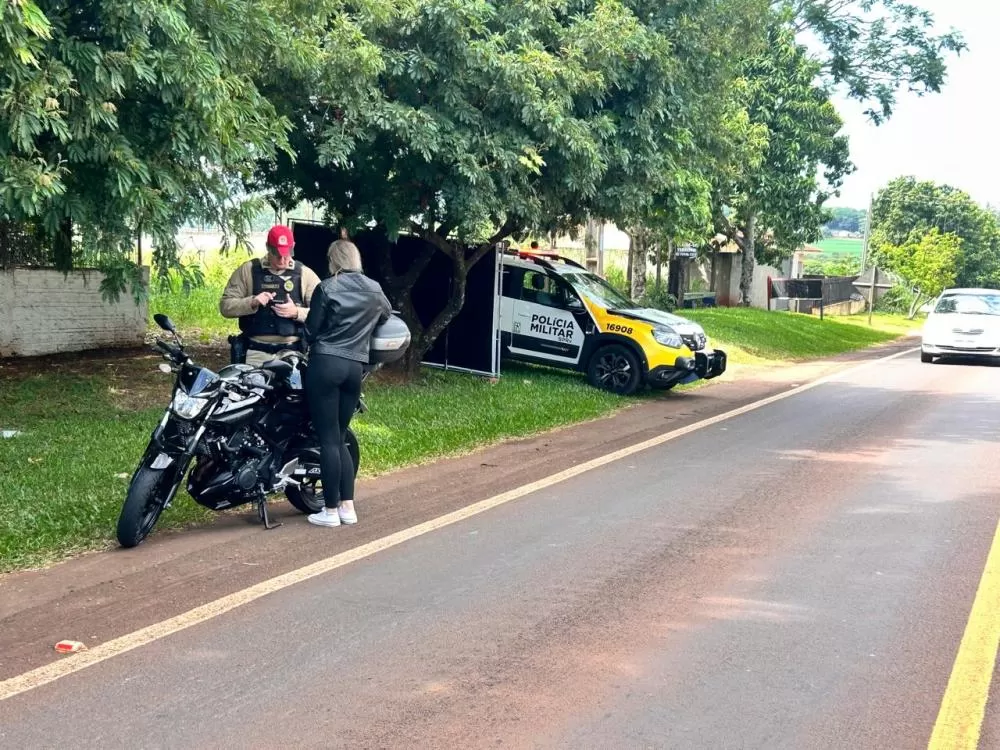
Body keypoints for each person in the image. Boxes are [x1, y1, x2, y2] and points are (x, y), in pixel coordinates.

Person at [303, 239, 391, 528]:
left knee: (328, 439)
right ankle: (347, 507)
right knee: (340, 437)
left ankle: (329, 511)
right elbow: (386, 315)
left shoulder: (327, 287)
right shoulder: (375, 289)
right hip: (355, 368)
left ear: (334, 260)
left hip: (326, 364)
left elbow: (311, 331)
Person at [219, 225, 322, 367]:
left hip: (292, 353)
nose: (282, 260)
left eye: (287, 254)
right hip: (255, 353)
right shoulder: (249, 270)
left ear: (293, 247)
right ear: (268, 248)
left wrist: (297, 312)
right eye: (277, 255)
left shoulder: (305, 274)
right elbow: (225, 306)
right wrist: (252, 302)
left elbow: (323, 314)